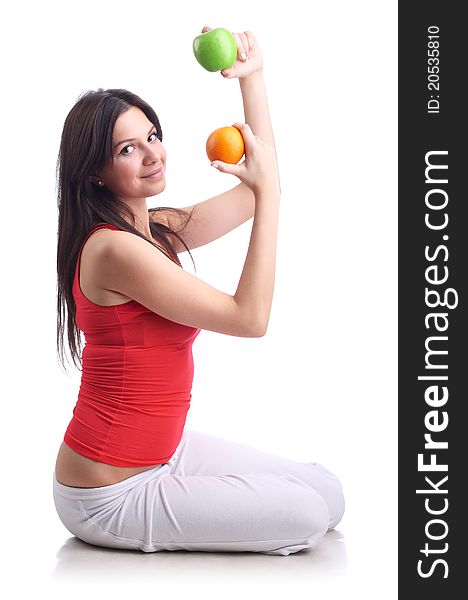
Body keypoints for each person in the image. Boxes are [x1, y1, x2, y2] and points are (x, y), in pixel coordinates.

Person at [53, 26, 345, 556]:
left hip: (167, 452)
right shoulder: (113, 251)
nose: (151, 154)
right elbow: (249, 318)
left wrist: (251, 80)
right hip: (108, 491)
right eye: (127, 148)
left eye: (153, 135)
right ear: (95, 171)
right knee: (305, 516)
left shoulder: (154, 229)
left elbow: (259, 186)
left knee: (329, 495)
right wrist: (270, 197)